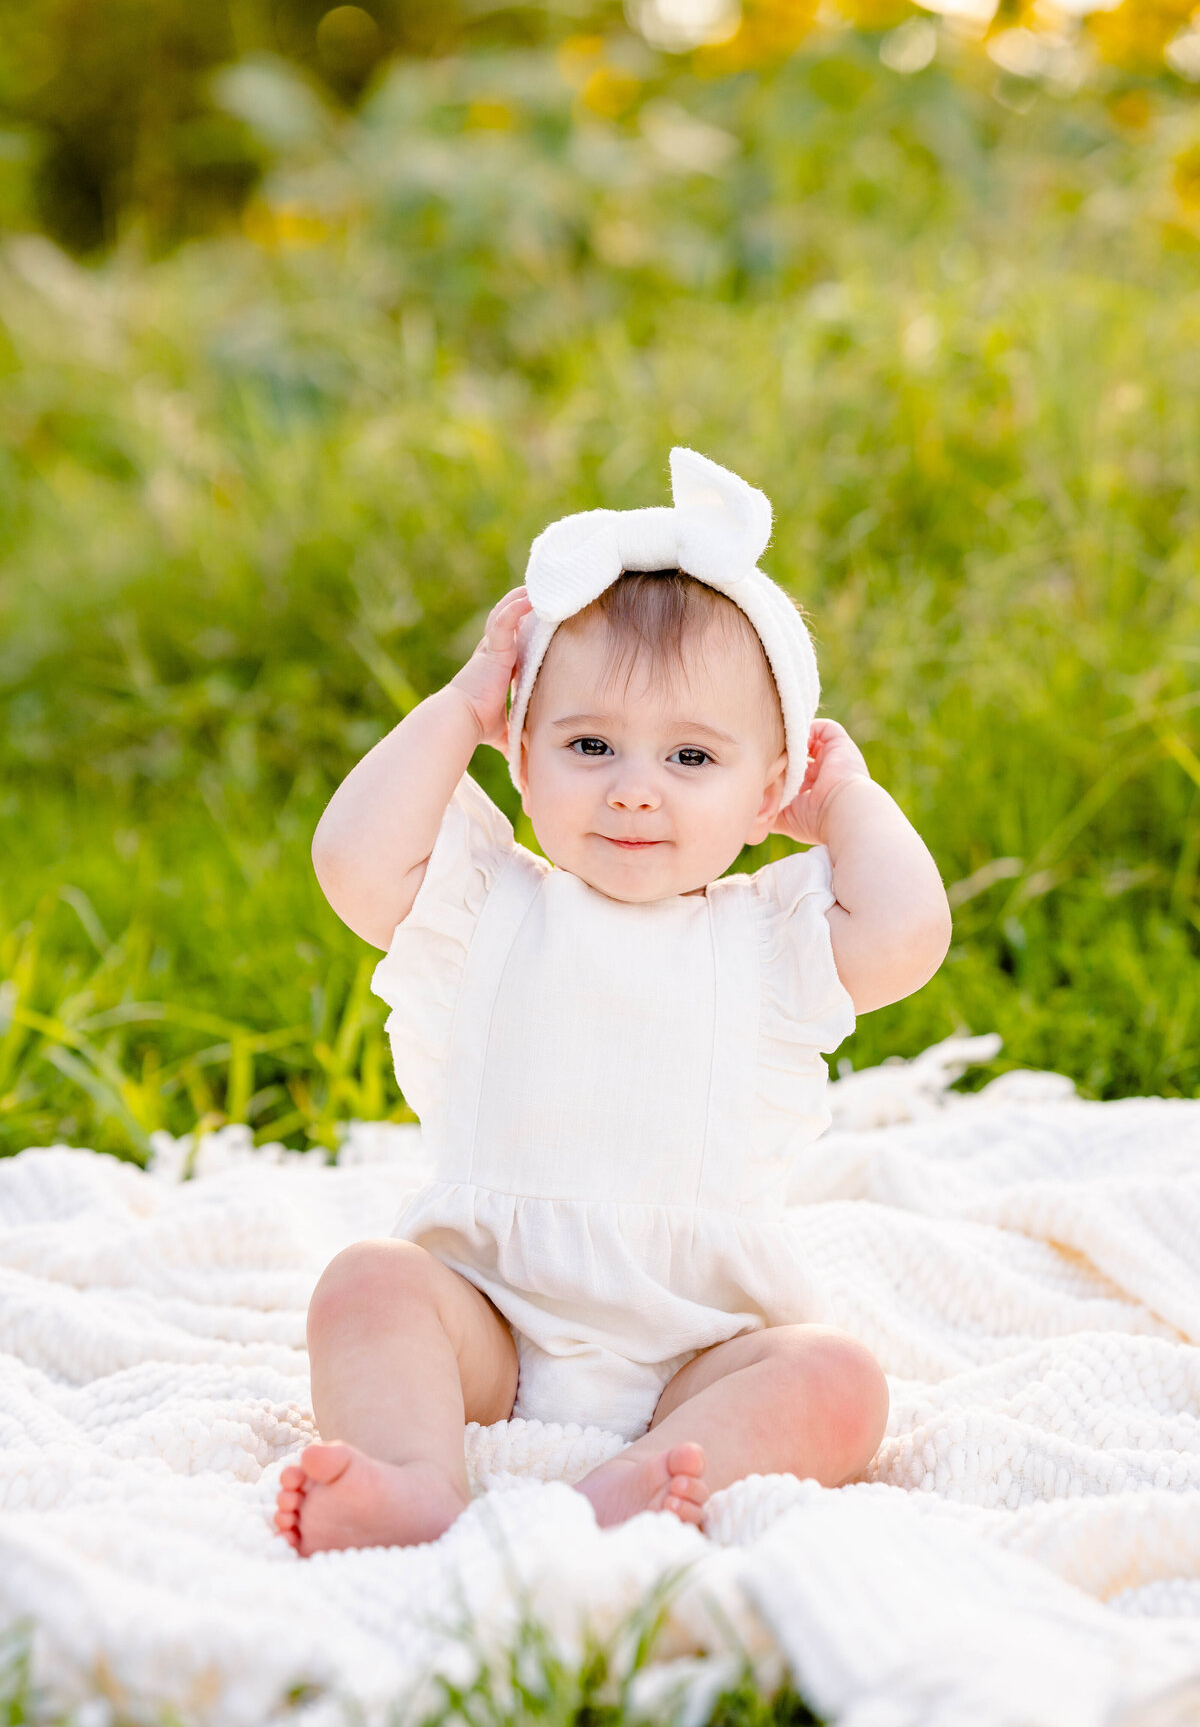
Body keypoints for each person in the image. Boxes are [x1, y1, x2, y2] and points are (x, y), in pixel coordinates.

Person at [273, 448, 951, 1556]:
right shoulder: (489, 901)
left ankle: (638, 1482)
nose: (635, 786)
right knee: (366, 1286)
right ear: (522, 760)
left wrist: (849, 805)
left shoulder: (769, 939)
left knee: (838, 1379)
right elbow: (352, 859)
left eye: (692, 755)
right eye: (589, 745)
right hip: (490, 1312)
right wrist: (460, 703)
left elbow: (911, 937)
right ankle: (411, 1480)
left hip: (704, 1338)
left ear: (770, 786)